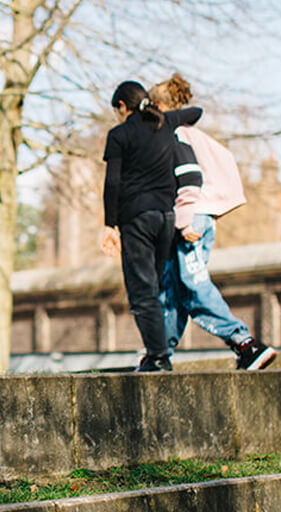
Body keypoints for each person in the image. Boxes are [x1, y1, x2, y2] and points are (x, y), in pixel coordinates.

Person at [150, 74, 277, 370]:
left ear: (156, 106)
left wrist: (187, 219)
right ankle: (159, 356)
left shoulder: (176, 134)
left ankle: (245, 342)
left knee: (192, 283)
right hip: (194, 214)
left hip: (189, 215)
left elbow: (189, 178)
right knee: (173, 286)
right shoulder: (195, 134)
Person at [100, 81, 203, 373]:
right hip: (166, 218)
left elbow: (113, 183)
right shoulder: (165, 122)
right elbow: (196, 112)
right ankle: (156, 353)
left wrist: (110, 225)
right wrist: (161, 113)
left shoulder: (119, 134)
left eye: (117, 111)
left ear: (122, 106)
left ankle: (158, 357)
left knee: (141, 290)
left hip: (137, 218)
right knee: (155, 286)